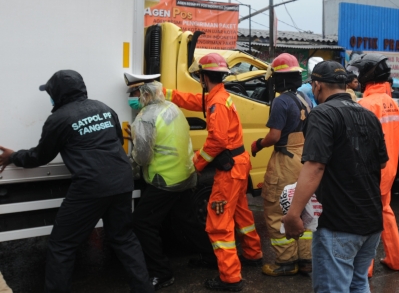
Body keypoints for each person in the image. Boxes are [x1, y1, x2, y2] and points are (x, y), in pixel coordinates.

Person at [0, 70, 153, 293]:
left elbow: (39, 156)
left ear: (58, 94)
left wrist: (12, 156)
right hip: (122, 179)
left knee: (62, 245)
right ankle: (144, 289)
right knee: (124, 238)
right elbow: (118, 140)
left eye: (50, 92)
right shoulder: (103, 108)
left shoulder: (59, 119)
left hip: (91, 186)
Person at [282, 60, 388, 293]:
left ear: (317, 86)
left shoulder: (322, 114)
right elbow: (381, 162)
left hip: (339, 224)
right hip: (370, 221)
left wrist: (293, 214)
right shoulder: (368, 115)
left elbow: (315, 167)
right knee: (358, 283)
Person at [163, 53, 263, 291]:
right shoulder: (220, 97)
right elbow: (193, 100)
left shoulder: (217, 102)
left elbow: (216, 141)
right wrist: (165, 94)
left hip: (229, 171)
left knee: (218, 223)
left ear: (204, 76)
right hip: (239, 165)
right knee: (241, 213)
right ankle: (252, 253)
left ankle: (230, 278)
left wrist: (196, 164)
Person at [124, 74, 202, 290]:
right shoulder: (172, 108)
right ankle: (212, 257)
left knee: (142, 223)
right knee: (188, 220)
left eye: (133, 93)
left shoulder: (145, 118)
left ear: (145, 93)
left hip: (164, 180)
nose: (131, 98)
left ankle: (162, 273)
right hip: (186, 175)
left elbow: (142, 157)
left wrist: (129, 170)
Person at [250, 53, 312, 277]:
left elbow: (275, 136)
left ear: (278, 79)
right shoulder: (305, 98)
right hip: (303, 159)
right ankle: (306, 260)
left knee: (278, 208)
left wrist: (258, 144)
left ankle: (286, 262)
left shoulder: (281, 101)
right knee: (302, 208)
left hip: (284, 161)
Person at [348, 54, 399, 275]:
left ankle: (366, 267)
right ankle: (396, 259)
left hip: (370, 172)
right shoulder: (392, 103)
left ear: (366, 75)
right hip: (389, 170)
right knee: (384, 211)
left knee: (366, 217)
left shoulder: (365, 104)